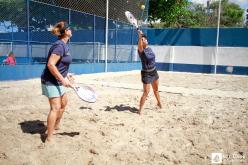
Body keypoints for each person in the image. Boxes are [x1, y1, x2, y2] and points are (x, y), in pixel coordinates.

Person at [41, 21, 74, 143]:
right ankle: (49, 137)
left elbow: (61, 64)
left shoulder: (65, 45)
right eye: (70, 28)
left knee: (64, 103)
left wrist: (67, 74)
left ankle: (55, 125)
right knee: (55, 107)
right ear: (66, 32)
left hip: (58, 79)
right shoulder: (59, 46)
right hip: (50, 80)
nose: (72, 30)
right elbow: (50, 64)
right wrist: (62, 79)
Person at [137, 30, 162, 115]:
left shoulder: (149, 49)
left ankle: (159, 103)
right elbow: (140, 46)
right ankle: (140, 110)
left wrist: (142, 36)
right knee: (146, 92)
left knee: (156, 90)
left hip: (154, 72)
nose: (145, 40)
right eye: (143, 40)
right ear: (141, 42)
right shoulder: (141, 51)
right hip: (146, 73)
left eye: (145, 39)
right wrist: (140, 37)